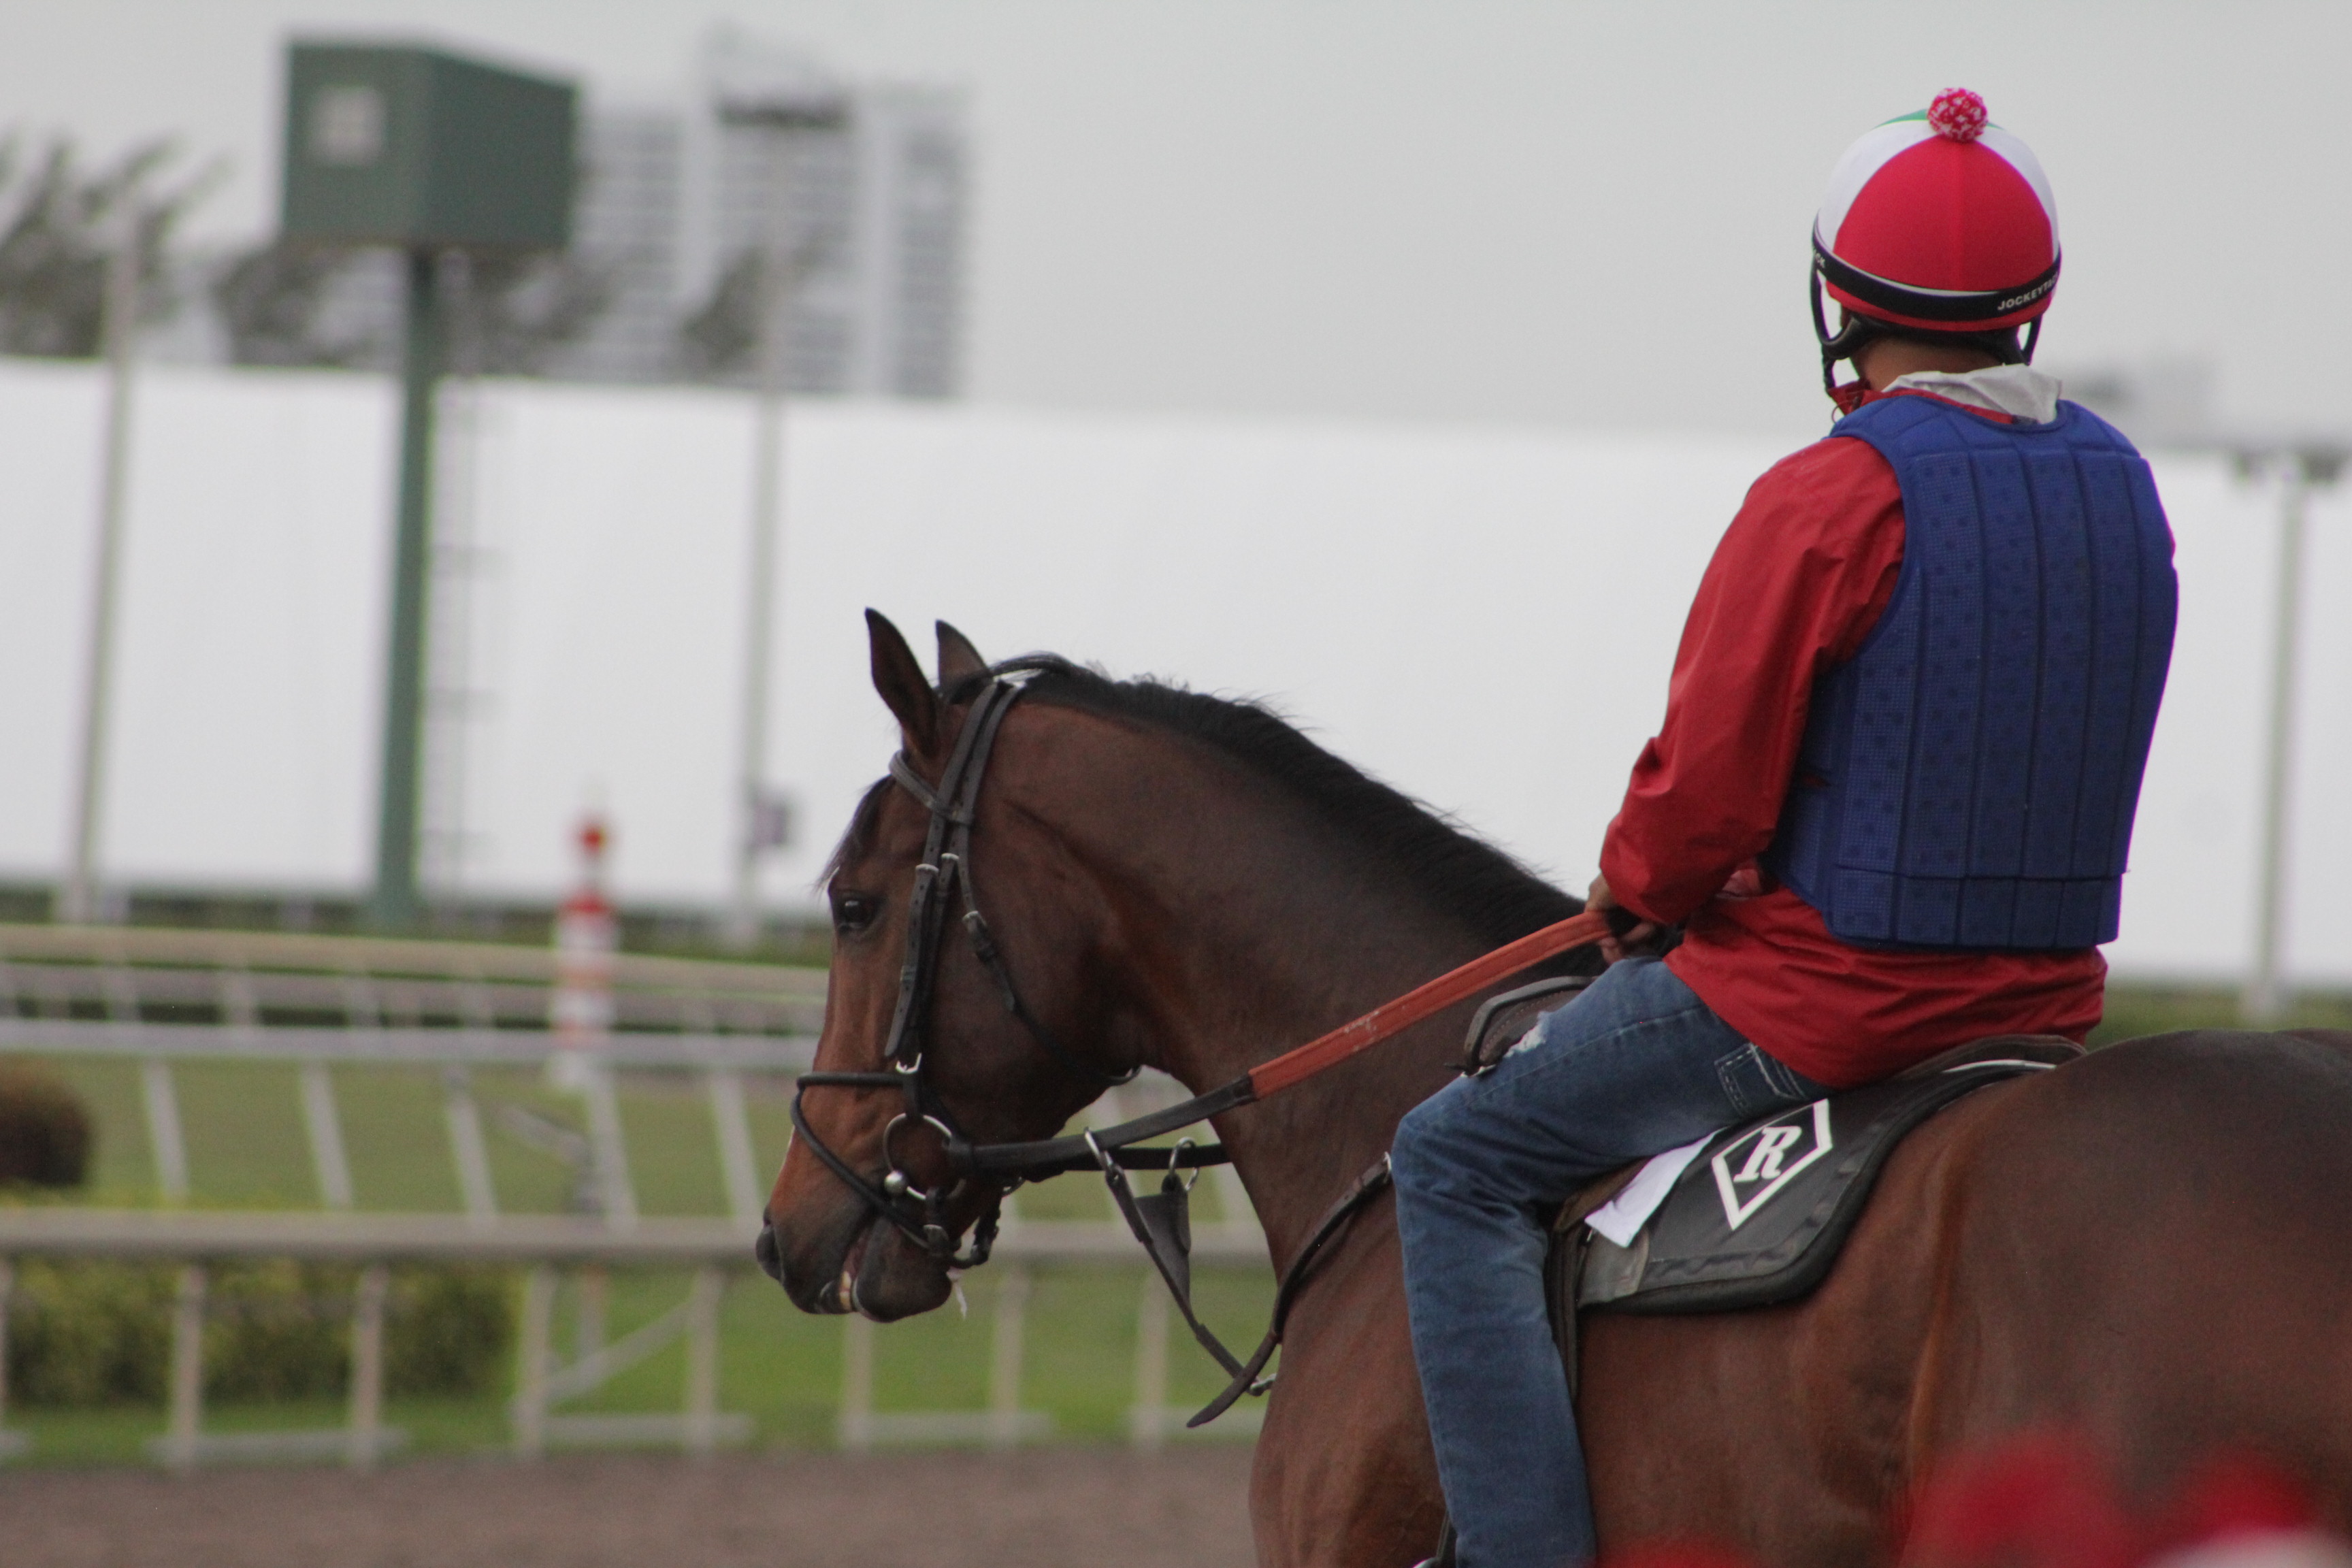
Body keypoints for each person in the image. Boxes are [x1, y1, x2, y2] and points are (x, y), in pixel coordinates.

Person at [1392, 88, 2178, 1568]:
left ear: (1838, 301)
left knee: (1451, 1158)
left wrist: (1636, 885)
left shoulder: (1831, 493)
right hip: (2048, 1010)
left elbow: (1702, 803)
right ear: (2031, 303)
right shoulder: (2125, 486)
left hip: (1822, 1007)